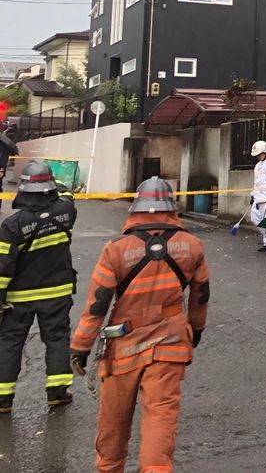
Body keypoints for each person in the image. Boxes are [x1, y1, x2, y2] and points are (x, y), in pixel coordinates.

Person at [70, 176, 209, 473]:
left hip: (124, 345)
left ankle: (109, 467)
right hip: (171, 343)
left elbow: (97, 304)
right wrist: (195, 331)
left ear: (136, 208)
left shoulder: (116, 249)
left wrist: (81, 346)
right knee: (161, 415)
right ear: (171, 208)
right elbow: (200, 296)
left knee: (113, 419)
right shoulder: (192, 246)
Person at [0, 160, 78, 411]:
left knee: (10, 342)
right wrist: (58, 187)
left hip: (19, 297)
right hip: (58, 292)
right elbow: (67, 194)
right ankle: (57, 392)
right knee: (57, 339)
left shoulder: (12, 225)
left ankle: (3, 398)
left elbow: (2, 268)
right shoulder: (66, 212)